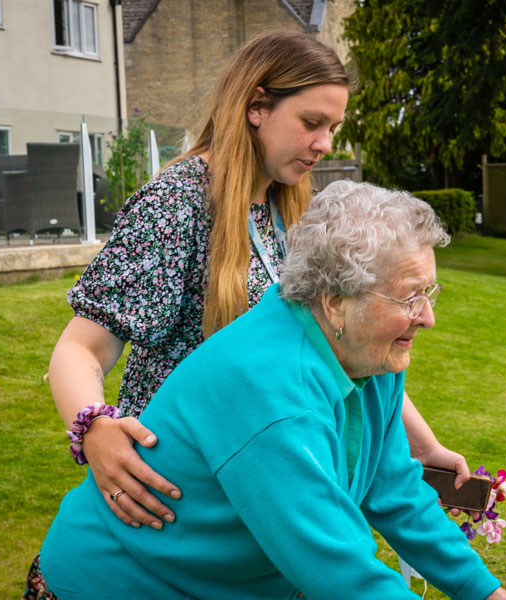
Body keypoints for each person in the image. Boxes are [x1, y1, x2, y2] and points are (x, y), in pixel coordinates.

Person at [45, 29, 470, 535]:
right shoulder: (176, 204)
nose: (325, 144)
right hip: (174, 502)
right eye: (312, 123)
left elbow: (349, 347)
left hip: (260, 489)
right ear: (256, 106)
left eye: (333, 126)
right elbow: (80, 349)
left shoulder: (294, 209)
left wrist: (424, 449)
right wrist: (93, 428)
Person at [30, 181, 506, 600]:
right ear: (334, 302)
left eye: (429, 293)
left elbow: (395, 489)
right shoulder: (272, 392)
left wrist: (486, 592)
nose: (429, 317)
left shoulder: (371, 354)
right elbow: (336, 568)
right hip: (117, 583)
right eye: (410, 297)